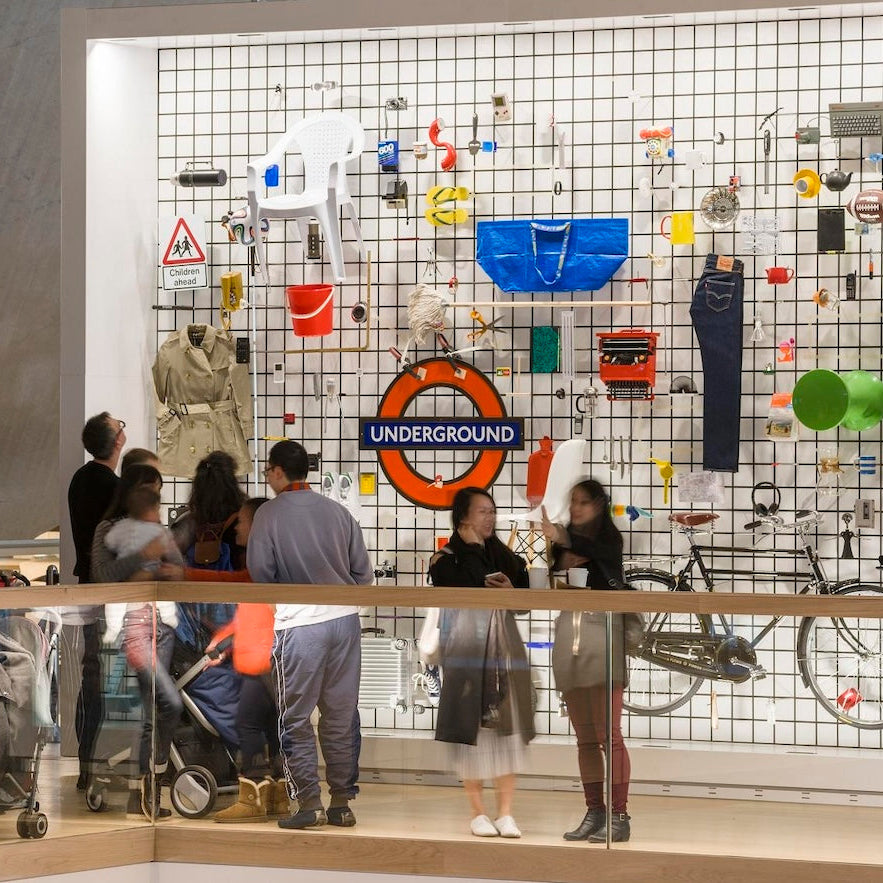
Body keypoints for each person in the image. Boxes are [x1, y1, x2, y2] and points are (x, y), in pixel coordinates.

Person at [247, 440, 373, 830]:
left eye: (268, 470)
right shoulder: (338, 513)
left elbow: (260, 574)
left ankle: (308, 804)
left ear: (279, 471)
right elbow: (363, 575)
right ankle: (341, 803)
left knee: (295, 718)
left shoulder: (268, 515)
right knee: (340, 715)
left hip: (298, 623)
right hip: (345, 622)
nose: (268, 477)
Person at [428, 487, 535, 839]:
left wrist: (510, 591)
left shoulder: (498, 552)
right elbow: (458, 587)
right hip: (466, 654)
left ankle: (505, 813)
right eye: (483, 512)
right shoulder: (446, 557)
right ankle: (478, 812)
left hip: (504, 654)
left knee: (508, 733)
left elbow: (523, 582)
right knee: (468, 733)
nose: (491, 518)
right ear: (463, 517)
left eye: (492, 511)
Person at [542, 478, 632, 843]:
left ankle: (620, 815)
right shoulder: (564, 544)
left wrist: (563, 538)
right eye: (573, 501)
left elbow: (601, 555)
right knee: (584, 738)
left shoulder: (608, 539)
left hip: (603, 638)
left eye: (584, 502)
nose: (577, 508)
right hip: (569, 640)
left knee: (610, 734)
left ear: (599, 505)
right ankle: (595, 811)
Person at [187, 497, 288, 824]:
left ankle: (253, 797)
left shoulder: (260, 570)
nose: (238, 527)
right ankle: (279, 796)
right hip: (272, 662)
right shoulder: (273, 564)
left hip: (260, 662)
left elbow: (254, 615)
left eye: (243, 521)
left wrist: (222, 645)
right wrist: (223, 642)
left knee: (248, 725)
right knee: (274, 729)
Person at [93, 466, 184, 819]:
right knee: (162, 707)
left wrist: (166, 563)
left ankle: (148, 790)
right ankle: (146, 789)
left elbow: (180, 569)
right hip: (132, 626)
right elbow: (105, 577)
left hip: (162, 625)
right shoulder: (111, 531)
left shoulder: (158, 532)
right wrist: (147, 554)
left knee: (156, 711)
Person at [65, 411, 127, 790]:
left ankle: (89, 763)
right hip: (111, 594)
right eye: (121, 425)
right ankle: (99, 763)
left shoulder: (80, 480)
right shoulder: (113, 487)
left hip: (89, 587)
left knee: (93, 679)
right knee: (106, 680)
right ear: (117, 441)